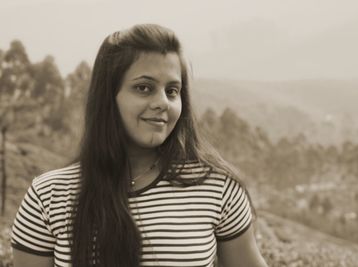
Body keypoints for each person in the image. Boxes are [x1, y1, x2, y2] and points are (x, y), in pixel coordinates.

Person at [10, 24, 268, 267]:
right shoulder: (49, 196)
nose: (162, 103)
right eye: (144, 88)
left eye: (172, 91)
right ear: (109, 97)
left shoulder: (218, 188)